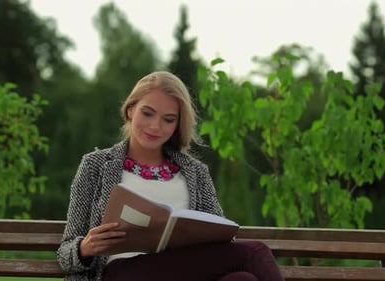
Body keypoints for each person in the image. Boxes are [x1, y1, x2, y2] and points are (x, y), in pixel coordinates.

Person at [57, 71, 285, 281]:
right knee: (254, 252)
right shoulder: (96, 166)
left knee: (243, 280)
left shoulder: (196, 173)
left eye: (168, 119)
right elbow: (65, 253)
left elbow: (222, 241)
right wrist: (84, 248)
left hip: (186, 272)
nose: (155, 126)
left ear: (178, 124)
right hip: (124, 274)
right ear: (130, 110)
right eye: (147, 113)